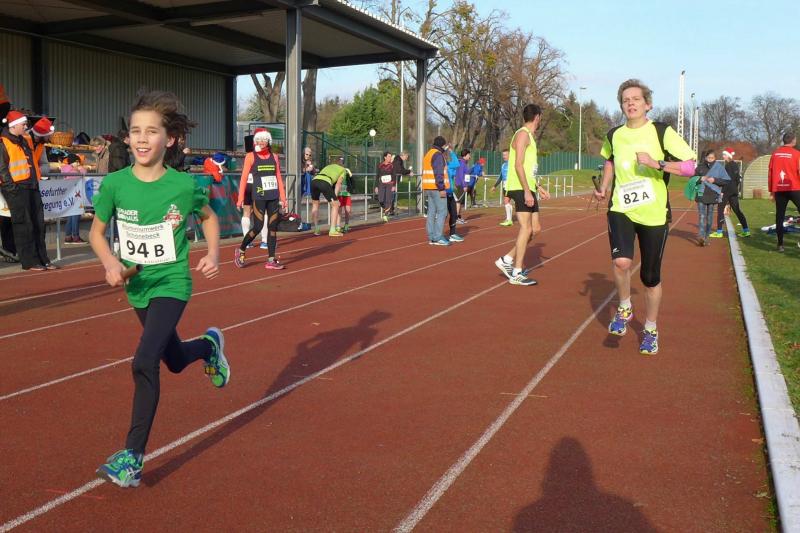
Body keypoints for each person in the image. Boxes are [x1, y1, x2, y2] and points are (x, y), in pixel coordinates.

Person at [89, 90, 227, 488]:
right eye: (136, 131)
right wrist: (110, 263)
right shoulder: (115, 184)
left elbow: (209, 218)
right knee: (175, 359)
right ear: (127, 138)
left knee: (144, 360)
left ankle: (131, 458)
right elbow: (97, 234)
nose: (142, 138)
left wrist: (213, 254)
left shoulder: (183, 186)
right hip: (138, 284)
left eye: (151, 131)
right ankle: (208, 347)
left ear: (170, 139)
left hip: (172, 282)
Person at [594, 79, 697, 355]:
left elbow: (690, 167)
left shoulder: (662, 132)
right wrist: (604, 187)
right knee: (621, 261)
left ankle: (650, 328)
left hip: (654, 213)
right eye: (625, 100)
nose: (630, 103)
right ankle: (625, 307)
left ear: (647, 104)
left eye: (636, 99)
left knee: (650, 278)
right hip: (621, 207)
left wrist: (656, 163)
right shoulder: (614, 134)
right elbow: (609, 160)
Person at [494, 104, 550, 286]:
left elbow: (527, 167)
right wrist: (526, 190)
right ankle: (517, 272)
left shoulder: (530, 137)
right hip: (519, 187)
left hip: (529, 187)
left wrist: (537, 187)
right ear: (537, 117)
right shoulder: (522, 134)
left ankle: (507, 259)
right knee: (525, 228)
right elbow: (518, 164)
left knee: (536, 229)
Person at [0, 110, 55, 271]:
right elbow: (2, 169)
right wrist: (12, 189)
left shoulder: (25, 140)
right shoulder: (3, 143)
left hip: (32, 186)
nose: (26, 126)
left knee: (39, 224)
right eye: (23, 124)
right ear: (14, 126)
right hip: (17, 189)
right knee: (24, 225)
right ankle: (29, 261)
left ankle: (43, 259)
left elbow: (36, 144)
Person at [234, 128, 287, 269]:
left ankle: (271, 259)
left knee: (272, 227)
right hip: (259, 196)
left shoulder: (274, 156)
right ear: (255, 141)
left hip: (273, 196)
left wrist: (283, 198)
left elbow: (278, 177)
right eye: (259, 139)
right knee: (258, 227)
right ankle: (241, 250)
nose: (261, 142)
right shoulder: (250, 156)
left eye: (264, 139)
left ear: (268, 141)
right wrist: (240, 198)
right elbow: (244, 178)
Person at [768, 131, 800, 252]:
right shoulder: (797, 154)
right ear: (793, 141)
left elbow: (770, 173)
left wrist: (771, 191)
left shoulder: (775, 154)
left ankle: (780, 245)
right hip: (794, 187)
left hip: (779, 189)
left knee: (780, 216)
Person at [709, 147, 749, 238]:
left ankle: (719, 232)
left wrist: (722, 191)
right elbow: (737, 179)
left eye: (724, 154)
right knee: (737, 210)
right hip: (734, 191)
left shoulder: (728, 166)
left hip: (727, 191)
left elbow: (727, 180)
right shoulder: (735, 165)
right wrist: (735, 189)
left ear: (728, 155)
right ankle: (746, 230)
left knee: (720, 209)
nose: (723, 156)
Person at [694, 150, 728, 247]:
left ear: (715, 158)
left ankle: (706, 237)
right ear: (705, 158)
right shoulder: (700, 167)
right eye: (708, 157)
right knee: (702, 216)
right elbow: (692, 180)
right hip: (701, 195)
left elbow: (725, 181)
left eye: (712, 158)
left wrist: (715, 180)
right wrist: (699, 179)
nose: (710, 159)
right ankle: (701, 237)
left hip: (713, 196)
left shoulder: (719, 168)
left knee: (709, 219)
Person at [422, 136, 451, 245]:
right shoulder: (438, 155)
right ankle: (437, 237)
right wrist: (441, 188)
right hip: (437, 188)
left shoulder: (428, 154)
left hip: (428, 187)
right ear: (442, 145)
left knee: (431, 212)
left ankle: (431, 236)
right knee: (442, 212)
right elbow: (438, 173)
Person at [311, 160, 347, 237]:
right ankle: (332, 230)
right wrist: (335, 198)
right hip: (325, 182)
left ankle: (316, 229)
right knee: (336, 205)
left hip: (314, 181)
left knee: (315, 204)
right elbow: (338, 184)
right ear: (343, 165)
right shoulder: (343, 170)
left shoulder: (328, 166)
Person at [60, 153, 88, 244]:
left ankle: (68, 236)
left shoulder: (66, 169)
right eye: (77, 162)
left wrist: (78, 168)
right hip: (76, 195)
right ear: (73, 162)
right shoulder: (72, 171)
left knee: (71, 216)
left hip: (70, 195)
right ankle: (75, 236)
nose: (79, 164)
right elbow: (84, 173)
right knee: (76, 215)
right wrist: (79, 168)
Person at [491, 149, 513, 226]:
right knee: (507, 201)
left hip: (512, 185)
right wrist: (494, 186)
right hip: (505, 185)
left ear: (510, 155)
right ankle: (509, 219)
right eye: (503, 155)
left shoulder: (513, 164)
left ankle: (509, 219)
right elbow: (500, 176)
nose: (504, 156)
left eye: (505, 155)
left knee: (508, 201)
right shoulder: (503, 165)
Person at [375, 151, 395, 222]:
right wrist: (376, 186)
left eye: (390, 157)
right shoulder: (380, 165)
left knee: (388, 200)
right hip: (382, 184)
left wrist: (394, 185)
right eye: (389, 156)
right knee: (380, 199)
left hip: (389, 184)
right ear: (385, 157)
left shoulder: (392, 165)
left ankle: (385, 215)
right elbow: (377, 176)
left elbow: (394, 175)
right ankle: (385, 209)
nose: (390, 158)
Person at [455, 149, 471, 222]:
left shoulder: (464, 163)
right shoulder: (462, 164)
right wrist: (464, 185)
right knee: (458, 201)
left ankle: (458, 216)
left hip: (463, 184)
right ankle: (456, 218)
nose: (470, 156)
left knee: (461, 202)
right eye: (469, 155)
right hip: (460, 185)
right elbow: (461, 175)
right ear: (465, 155)